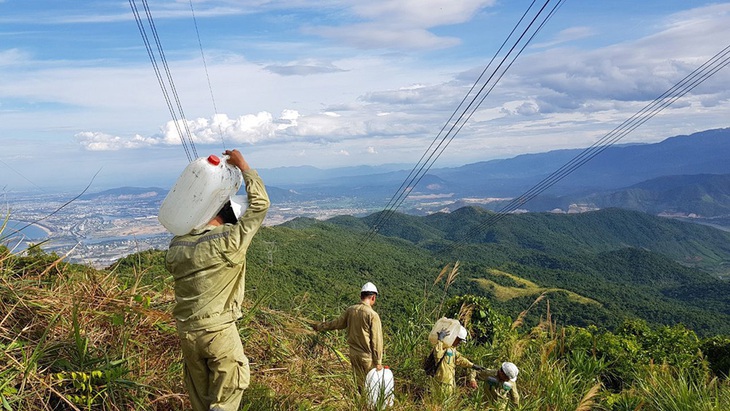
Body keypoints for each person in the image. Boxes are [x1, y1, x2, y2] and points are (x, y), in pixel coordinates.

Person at [165, 149, 270, 411]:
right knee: (228, 396)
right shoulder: (229, 241)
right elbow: (260, 205)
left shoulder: (177, 248)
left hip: (187, 333)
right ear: (225, 217)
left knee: (201, 402)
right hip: (219, 332)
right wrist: (244, 166)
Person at [313, 282, 384, 392]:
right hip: (367, 357)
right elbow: (377, 341)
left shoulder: (351, 310)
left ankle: (358, 403)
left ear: (361, 296)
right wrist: (378, 362)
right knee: (371, 387)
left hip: (353, 354)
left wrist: (320, 326)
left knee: (359, 385)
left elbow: (337, 323)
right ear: (373, 297)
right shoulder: (373, 315)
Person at [431, 325, 479, 397]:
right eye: (458, 340)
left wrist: (472, 365)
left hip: (449, 383)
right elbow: (437, 355)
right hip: (441, 382)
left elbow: (460, 359)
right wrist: (440, 340)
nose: (459, 342)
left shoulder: (452, 349)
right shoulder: (443, 346)